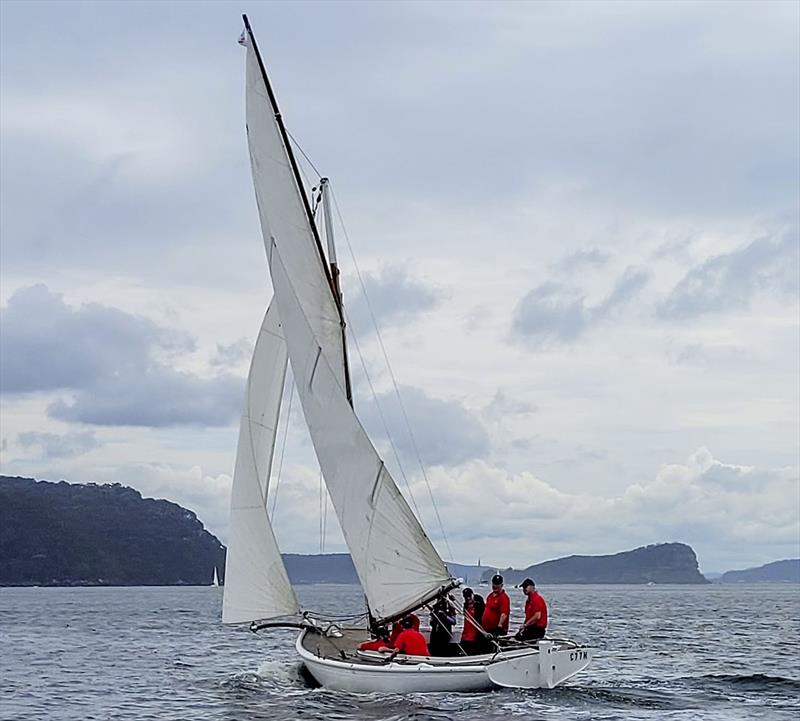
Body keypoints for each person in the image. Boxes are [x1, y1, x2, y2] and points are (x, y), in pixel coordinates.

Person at [460, 588, 481, 655]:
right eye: (466, 597)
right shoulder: (465, 606)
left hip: (474, 637)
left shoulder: (478, 605)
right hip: (465, 636)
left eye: (469, 596)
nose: (468, 598)